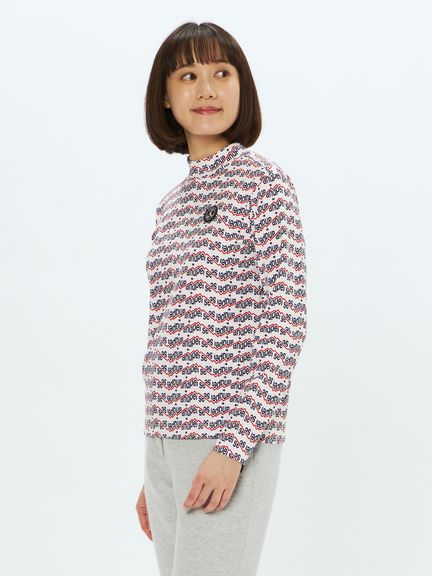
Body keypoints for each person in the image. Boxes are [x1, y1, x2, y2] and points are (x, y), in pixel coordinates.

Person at [135, 21, 308, 576]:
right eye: (188, 75)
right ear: (166, 95)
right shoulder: (170, 206)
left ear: (241, 87)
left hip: (230, 437)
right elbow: (166, 332)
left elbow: (285, 323)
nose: (206, 89)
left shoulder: (264, 185)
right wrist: (156, 462)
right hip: (166, 439)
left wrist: (232, 447)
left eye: (221, 73)